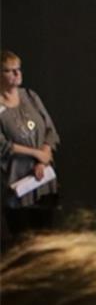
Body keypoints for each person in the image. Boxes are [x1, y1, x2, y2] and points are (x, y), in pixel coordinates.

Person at [0, 51, 60, 241]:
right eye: (9, 71)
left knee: (47, 238)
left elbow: (50, 130)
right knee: (24, 242)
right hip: (17, 185)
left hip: (43, 181)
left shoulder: (30, 96)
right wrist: (35, 153)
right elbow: (2, 146)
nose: (17, 74)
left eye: (18, 69)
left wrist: (44, 156)